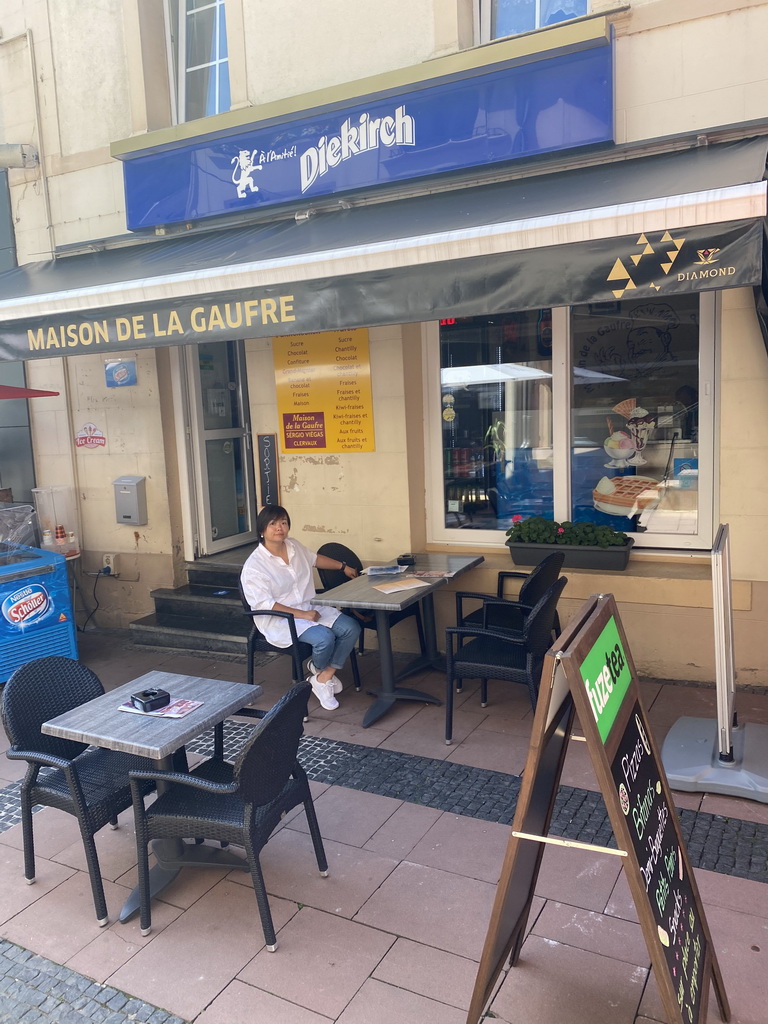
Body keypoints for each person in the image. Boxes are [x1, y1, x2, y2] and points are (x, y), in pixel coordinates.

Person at [240, 504, 361, 711]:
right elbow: (265, 604)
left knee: (352, 627)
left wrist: (343, 567)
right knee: (324, 638)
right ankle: (321, 673)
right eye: (273, 524)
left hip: (310, 608)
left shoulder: (294, 546)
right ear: (262, 531)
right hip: (280, 618)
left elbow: (315, 559)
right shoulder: (255, 566)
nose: (280, 528)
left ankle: (323, 675)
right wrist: (302, 614)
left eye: (284, 522)